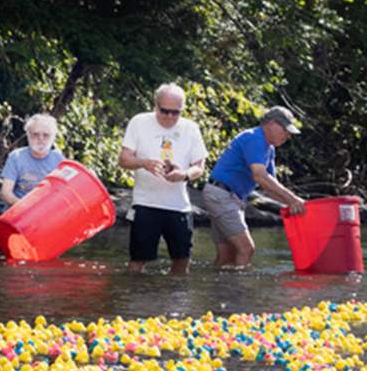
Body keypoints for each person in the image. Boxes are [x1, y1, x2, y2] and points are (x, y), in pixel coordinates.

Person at [118, 83, 207, 273]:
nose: (170, 117)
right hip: (146, 203)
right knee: (138, 260)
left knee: (182, 260)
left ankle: (174, 301)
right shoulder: (139, 122)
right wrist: (144, 163)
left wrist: (183, 175)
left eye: (176, 113)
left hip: (178, 205)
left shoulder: (190, 128)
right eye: (165, 111)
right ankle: (133, 298)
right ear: (155, 105)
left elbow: (199, 167)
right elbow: (124, 160)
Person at [203, 106, 306, 268]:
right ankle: (241, 290)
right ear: (271, 123)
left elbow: (270, 184)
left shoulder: (269, 148)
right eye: (285, 130)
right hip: (222, 195)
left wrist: (293, 204)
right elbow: (259, 176)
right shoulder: (254, 138)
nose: (288, 136)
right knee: (246, 248)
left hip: (226, 196)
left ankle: (221, 291)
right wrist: (293, 199)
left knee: (226, 256)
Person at [0, 114, 65, 207]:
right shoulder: (16, 157)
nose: (40, 139)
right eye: (36, 134)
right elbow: (5, 193)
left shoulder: (59, 161)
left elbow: (64, 194)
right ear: (28, 135)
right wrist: (26, 208)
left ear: (53, 137)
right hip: (17, 213)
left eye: (46, 135)